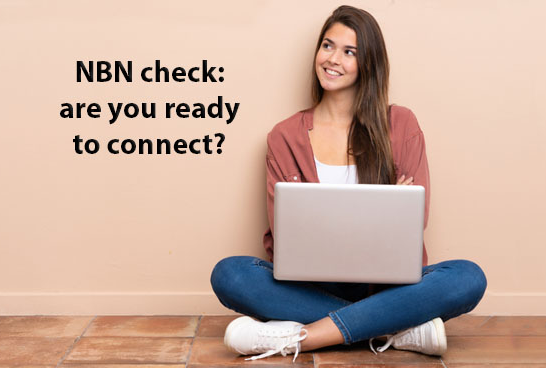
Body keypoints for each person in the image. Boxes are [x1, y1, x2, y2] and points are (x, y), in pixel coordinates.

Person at [209, 5, 488, 361]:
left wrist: (392, 220)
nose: (333, 59)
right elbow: (284, 232)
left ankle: (300, 337)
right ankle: (395, 327)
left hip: (388, 284)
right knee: (230, 274)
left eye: (349, 52)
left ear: (367, 63)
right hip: (311, 286)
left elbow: (412, 222)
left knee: (468, 277)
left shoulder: (400, 125)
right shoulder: (284, 136)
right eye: (327, 45)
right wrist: (383, 213)